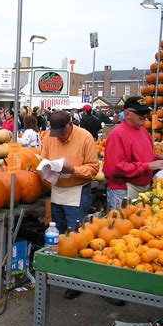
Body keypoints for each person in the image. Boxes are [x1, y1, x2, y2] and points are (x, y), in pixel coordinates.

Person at [41, 110, 98, 300]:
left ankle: (76, 280)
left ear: (69, 125)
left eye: (61, 134)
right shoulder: (50, 137)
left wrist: (72, 169)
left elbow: (93, 169)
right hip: (58, 190)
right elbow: (44, 156)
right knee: (59, 235)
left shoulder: (85, 138)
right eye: (55, 134)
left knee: (76, 237)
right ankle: (61, 274)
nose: (58, 138)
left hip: (77, 192)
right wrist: (45, 166)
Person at [103, 96, 163, 210]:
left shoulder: (143, 131)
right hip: (123, 189)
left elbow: (144, 155)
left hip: (142, 187)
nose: (144, 117)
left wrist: (158, 157)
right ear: (127, 114)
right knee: (121, 224)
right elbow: (116, 168)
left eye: (146, 113)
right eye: (140, 113)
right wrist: (147, 166)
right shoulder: (117, 134)